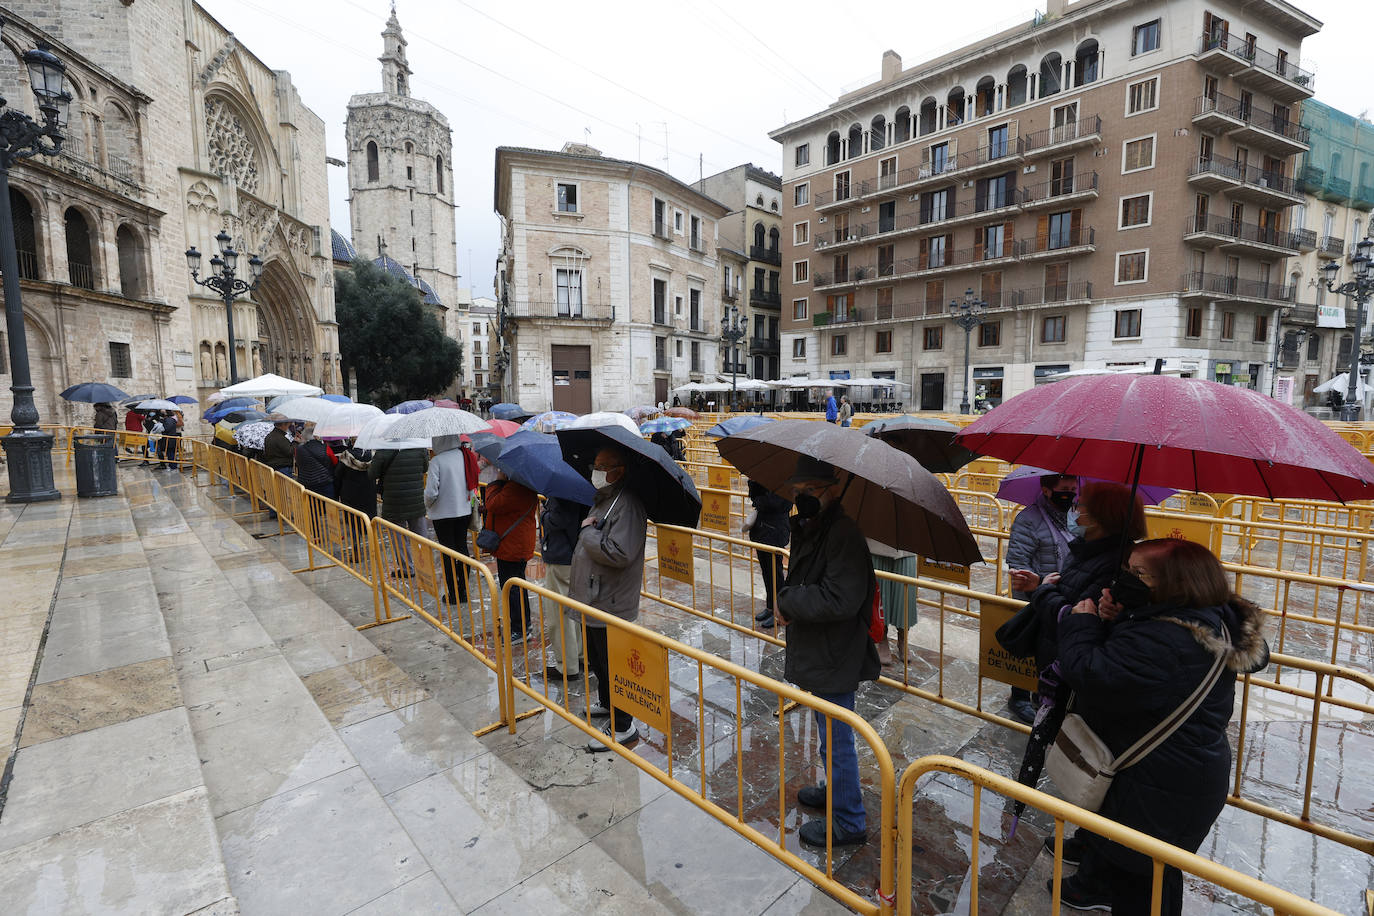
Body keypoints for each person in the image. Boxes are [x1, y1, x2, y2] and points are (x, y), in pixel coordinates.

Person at [1053, 538, 1269, 913]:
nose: (1126, 580)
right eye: (1127, 571)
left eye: (1139, 575)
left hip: (1163, 784)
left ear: (1177, 584)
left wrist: (1083, 624)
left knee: (1147, 878)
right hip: (1166, 772)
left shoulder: (1166, 640)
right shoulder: (1202, 619)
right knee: (1126, 854)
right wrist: (1120, 617)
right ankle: (1095, 885)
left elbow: (1091, 672)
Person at [775, 455, 880, 848]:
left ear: (831, 491)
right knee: (826, 729)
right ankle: (835, 792)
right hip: (821, 646)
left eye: (808, 492)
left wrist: (789, 602)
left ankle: (849, 820)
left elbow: (839, 599)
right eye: (796, 492)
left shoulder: (843, 533)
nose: (800, 497)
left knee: (837, 737)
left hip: (836, 650)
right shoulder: (817, 526)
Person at [570, 444, 649, 752]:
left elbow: (620, 553)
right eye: (596, 464)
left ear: (620, 470)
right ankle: (607, 702)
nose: (597, 471)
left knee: (614, 664)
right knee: (600, 662)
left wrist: (587, 533)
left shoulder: (627, 504)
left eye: (604, 466)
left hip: (611, 601)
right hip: (595, 597)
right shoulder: (606, 499)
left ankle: (624, 725)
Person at [1004, 473, 1079, 724]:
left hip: (1061, 596)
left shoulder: (1074, 517)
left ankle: (1046, 694)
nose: (1070, 493)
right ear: (1047, 490)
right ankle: (1019, 697)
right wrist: (1041, 584)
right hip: (1033, 596)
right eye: (1064, 489)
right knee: (1029, 648)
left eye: (1073, 488)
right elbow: (1018, 562)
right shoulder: (1028, 519)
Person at [482, 469, 538, 641]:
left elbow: (492, 503)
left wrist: (496, 482)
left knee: (512, 587)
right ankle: (523, 625)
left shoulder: (515, 488)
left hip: (512, 546)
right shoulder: (522, 485)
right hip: (514, 544)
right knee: (516, 586)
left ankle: (519, 629)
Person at [425, 435, 478, 606]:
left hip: (443, 514)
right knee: (462, 549)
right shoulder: (465, 456)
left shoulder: (437, 461)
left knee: (448, 553)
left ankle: (453, 593)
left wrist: (428, 504)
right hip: (464, 510)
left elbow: (431, 493)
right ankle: (463, 591)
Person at [540, 495, 590, 680]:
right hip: (577, 553)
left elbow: (558, 519)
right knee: (577, 611)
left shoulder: (563, 491)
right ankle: (581, 656)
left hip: (562, 555)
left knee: (560, 615)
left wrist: (544, 514)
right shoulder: (581, 483)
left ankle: (567, 667)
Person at [370, 445, 429, 577]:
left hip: (394, 502)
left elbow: (372, 474)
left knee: (398, 538)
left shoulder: (383, 450)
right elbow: (425, 468)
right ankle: (425, 566)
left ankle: (407, 568)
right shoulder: (418, 448)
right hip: (416, 500)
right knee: (421, 535)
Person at [744, 478, 791, 629]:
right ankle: (770, 607)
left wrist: (761, 499)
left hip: (775, 530)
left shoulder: (786, 478)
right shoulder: (764, 475)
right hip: (761, 529)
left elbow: (778, 503)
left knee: (775, 573)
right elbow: (753, 496)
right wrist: (754, 480)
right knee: (766, 571)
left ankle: (780, 611)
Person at [869, 539, 917, 667]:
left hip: (907, 546)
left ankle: (903, 638)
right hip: (877, 541)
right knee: (880, 595)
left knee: (905, 596)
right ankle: (882, 638)